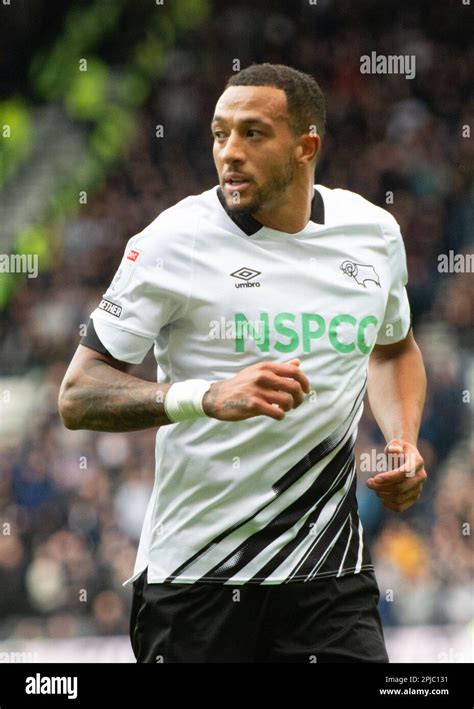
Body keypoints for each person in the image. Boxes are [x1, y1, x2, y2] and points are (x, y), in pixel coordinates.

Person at [58, 63, 427, 663]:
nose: (229, 152)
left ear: (307, 145)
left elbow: (392, 349)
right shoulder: (173, 240)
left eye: (252, 134)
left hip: (328, 575)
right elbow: (77, 395)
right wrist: (203, 396)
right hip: (197, 580)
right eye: (219, 134)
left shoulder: (374, 233)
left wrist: (403, 440)